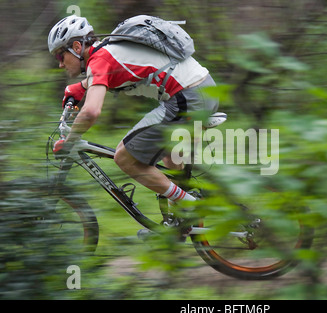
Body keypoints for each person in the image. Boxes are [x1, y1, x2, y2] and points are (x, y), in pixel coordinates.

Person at [48, 15, 218, 207]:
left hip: (188, 97)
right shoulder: (107, 50)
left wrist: (69, 142)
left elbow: (91, 112)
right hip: (204, 89)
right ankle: (178, 225)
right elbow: (105, 76)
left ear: (77, 47)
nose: (60, 64)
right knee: (170, 158)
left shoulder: (99, 60)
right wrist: (81, 87)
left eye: (60, 56)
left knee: (124, 158)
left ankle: (192, 206)